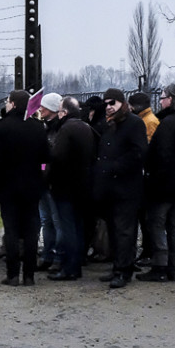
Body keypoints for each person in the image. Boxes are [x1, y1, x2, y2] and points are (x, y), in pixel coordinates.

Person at [0, 89, 50, 286]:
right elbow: (45, 159)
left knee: (12, 230)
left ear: (13, 104)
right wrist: (40, 176)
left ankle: (13, 274)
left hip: (8, 187)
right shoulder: (38, 127)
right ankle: (29, 275)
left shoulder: (2, 127)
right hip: (31, 187)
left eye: (7, 101)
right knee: (31, 231)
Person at [92, 88, 148, 289]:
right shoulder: (111, 125)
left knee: (125, 231)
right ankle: (119, 266)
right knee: (116, 231)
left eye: (112, 103)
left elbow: (139, 153)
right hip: (110, 188)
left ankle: (123, 270)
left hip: (126, 188)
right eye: (106, 104)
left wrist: (113, 167)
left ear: (122, 103)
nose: (108, 107)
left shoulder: (133, 123)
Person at [137, 83, 175, 282]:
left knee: (156, 222)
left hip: (163, 184)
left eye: (163, 97)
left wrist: (152, 178)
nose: (160, 101)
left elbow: (162, 155)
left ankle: (160, 265)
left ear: (171, 99)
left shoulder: (167, 124)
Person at [46, 96, 95, 281]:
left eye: (59, 111)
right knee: (78, 226)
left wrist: (46, 173)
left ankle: (69, 268)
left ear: (64, 113)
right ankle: (77, 264)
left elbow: (57, 158)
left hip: (65, 187)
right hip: (82, 186)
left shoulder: (66, 129)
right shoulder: (85, 127)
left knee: (68, 228)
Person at [129, 91, 159, 267]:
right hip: (144, 176)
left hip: (145, 177)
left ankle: (149, 251)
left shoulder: (148, 122)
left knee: (146, 218)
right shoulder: (148, 120)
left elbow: (146, 148)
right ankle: (147, 250)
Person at [36, 92, 64, 271]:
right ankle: (48, 253)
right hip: (43, 181)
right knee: (47, 220)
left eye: (43, 107)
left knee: (55, 220)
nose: (40, 109)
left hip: (53, 182)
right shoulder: (45, 128)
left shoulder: (59, 131)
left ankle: (58, 256)